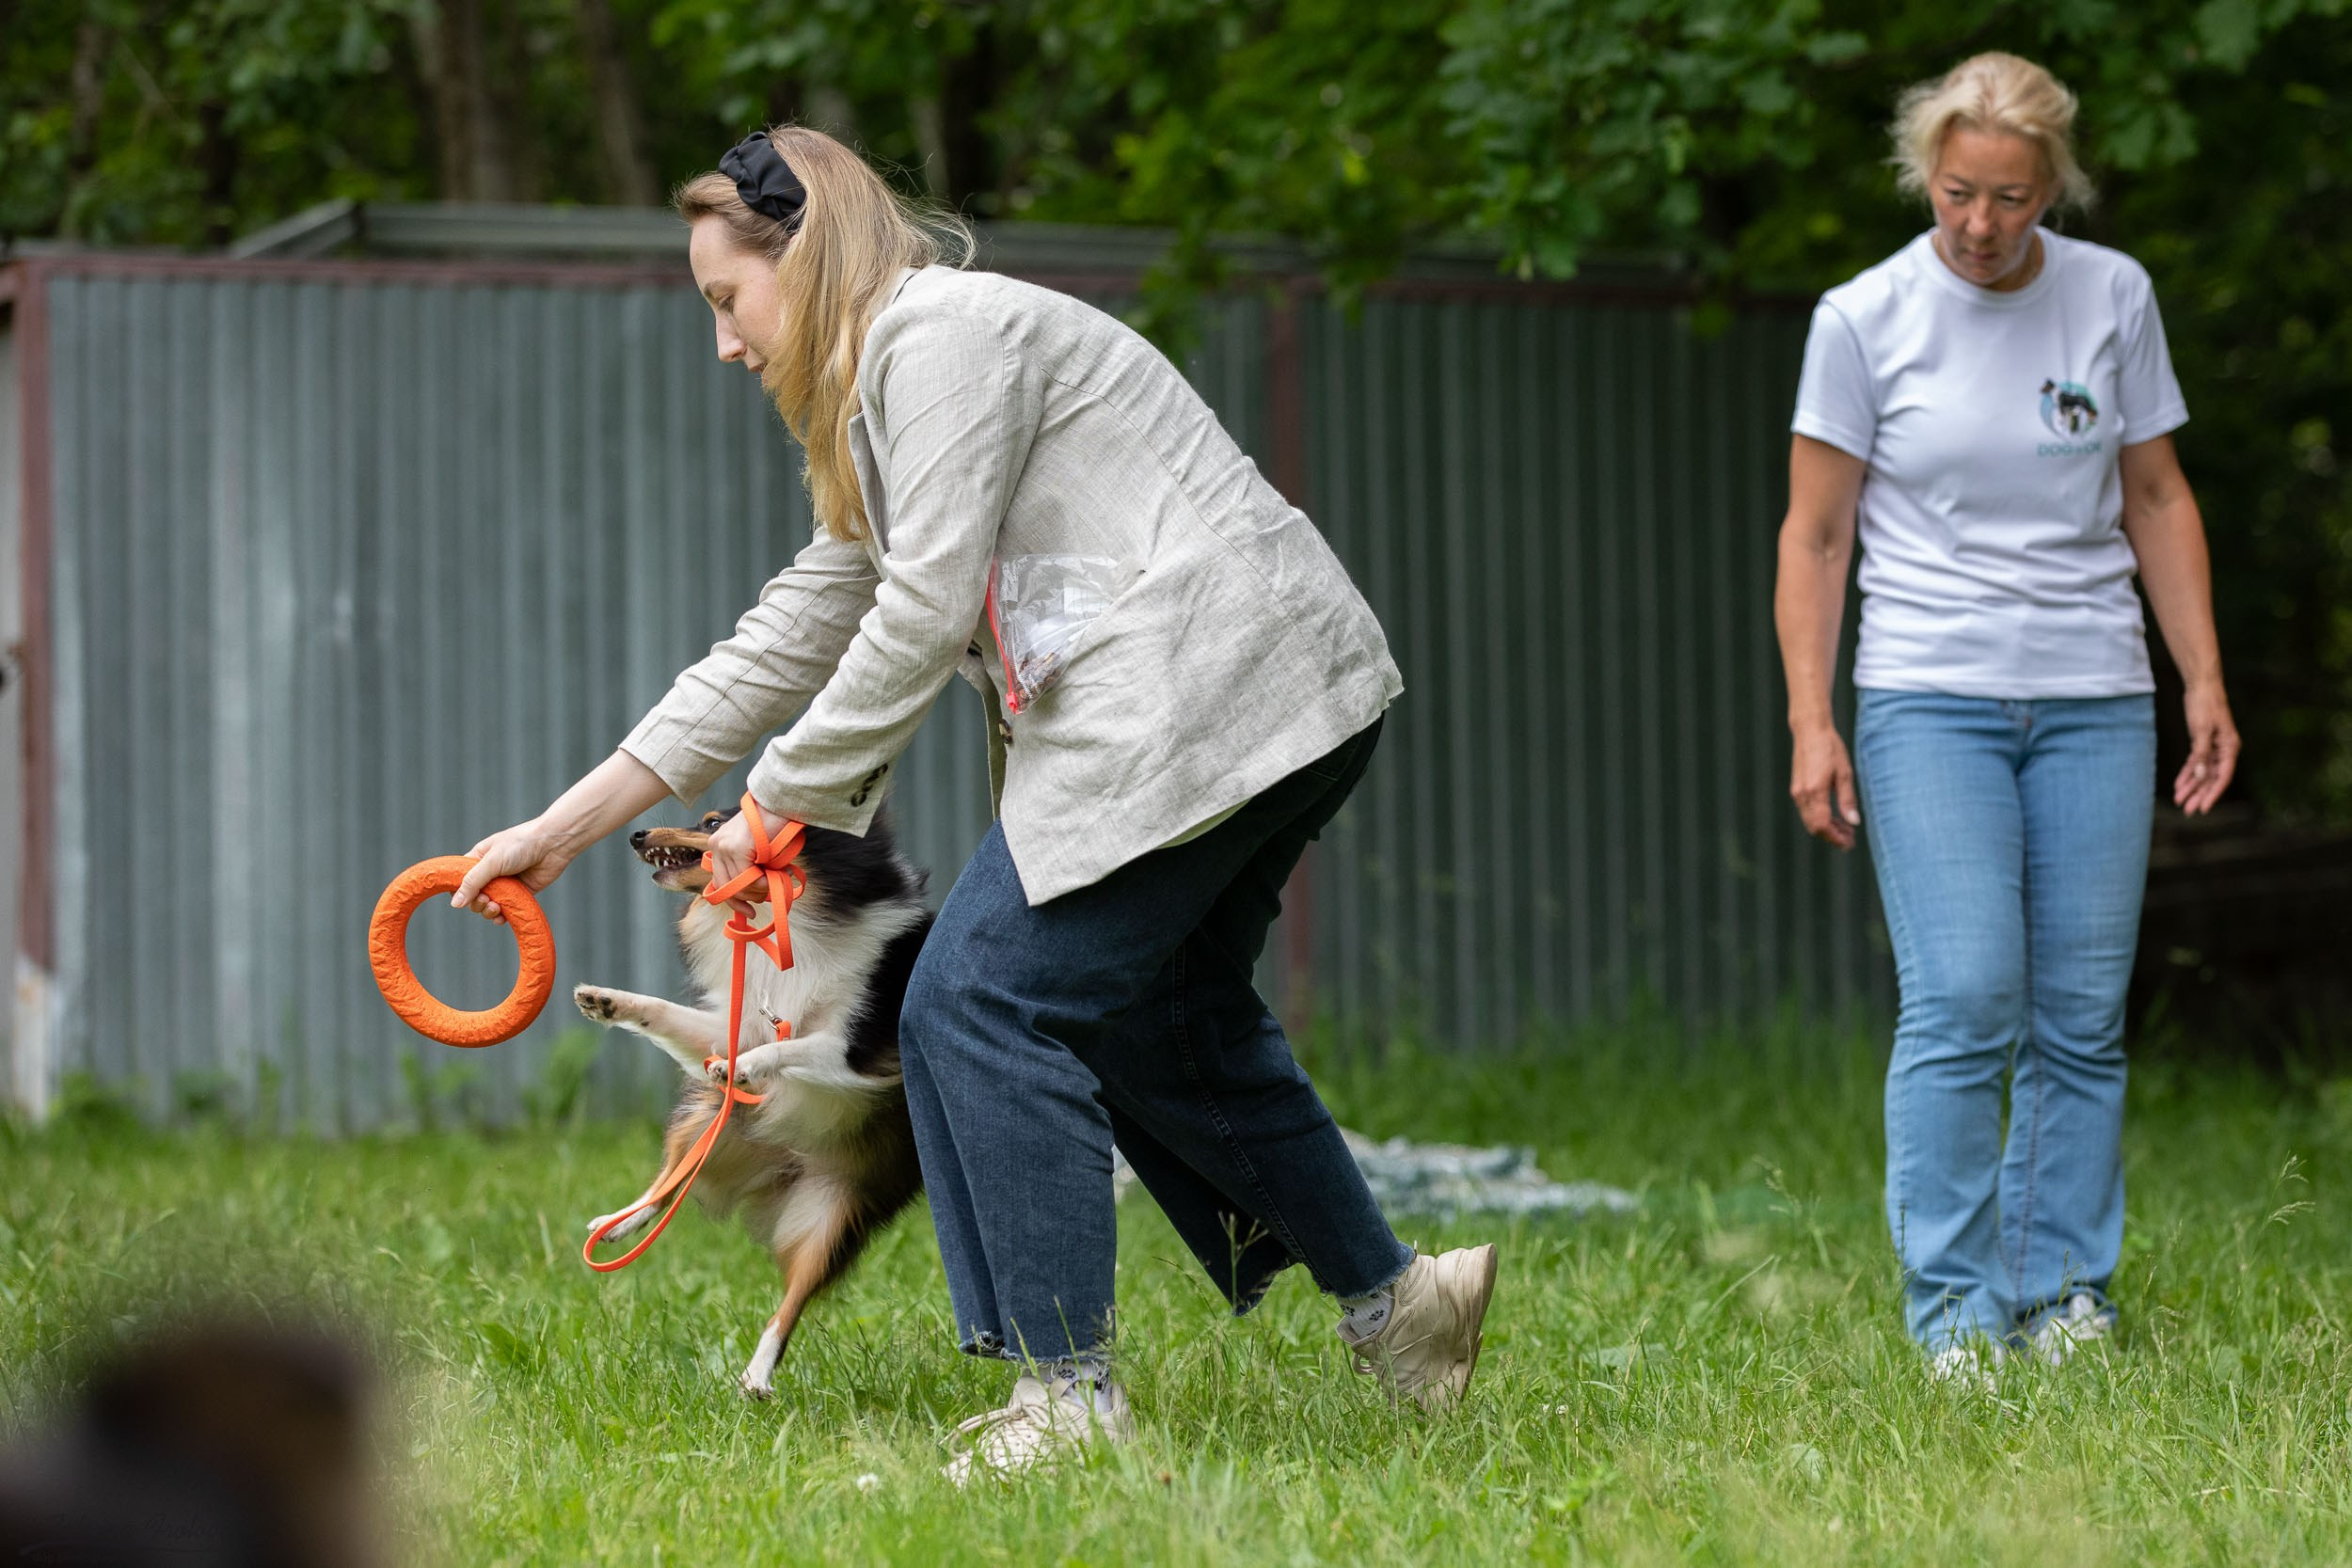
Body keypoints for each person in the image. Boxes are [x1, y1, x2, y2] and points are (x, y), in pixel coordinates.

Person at [449, 125, 1499, 1475]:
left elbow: (924, 607)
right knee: (1167, 1017)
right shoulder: (887, 408)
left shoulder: (936, 341)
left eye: (728, 299)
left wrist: (775, 809)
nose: (724, 342)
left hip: (1218, 691)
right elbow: (783, 639)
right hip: (1259, 701)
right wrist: (556, 832)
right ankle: (1404, 1310)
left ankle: (1066, 1397)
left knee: (982, 999)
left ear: (804, 251)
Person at [1772, 54, 2239, 1378]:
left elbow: (2155, 496)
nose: (1980, 225)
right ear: (1927, 171)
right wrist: (1815, 720)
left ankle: (2061, 1297)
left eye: (2014, 199)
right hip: (1931, 696)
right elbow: (1814, 541)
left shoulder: (2114, 296)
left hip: (2096, 696)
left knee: (2080, 1016)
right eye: (1958, 192)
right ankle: (1956, 1314)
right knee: (1967, 993)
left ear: (2057, 188)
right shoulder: (1862, 318)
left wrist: (2199, 677)